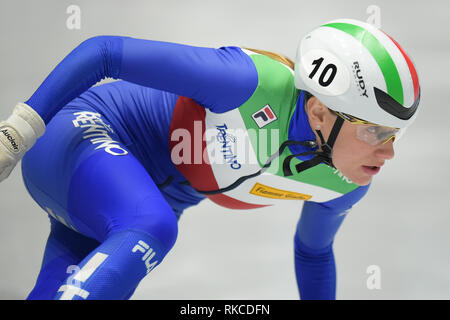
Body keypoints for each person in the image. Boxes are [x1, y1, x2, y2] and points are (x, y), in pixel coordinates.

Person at [0, 18, 420, 300]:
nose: (389, 151)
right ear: (319, 114)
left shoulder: (346, 183)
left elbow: (313, 253)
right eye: (375, 130)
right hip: (82, 132)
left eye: (396, 133)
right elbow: (105, 52)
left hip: (108, 199)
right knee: (154, 225)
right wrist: (16, 134)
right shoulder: (247, 82)